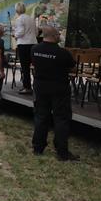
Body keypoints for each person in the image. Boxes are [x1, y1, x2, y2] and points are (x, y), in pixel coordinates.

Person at [31, 26, 78, 161]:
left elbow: (35, 65)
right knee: (61, 119)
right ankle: (62, 152)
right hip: (59, 89)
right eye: (58, 34)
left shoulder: (35, 49)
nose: (59, 36)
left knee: (40, 117)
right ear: (54, 36)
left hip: (40, 87)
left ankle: (38, 148)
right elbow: (73, 69)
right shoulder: (63, 53)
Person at [13, 2, 38, 95]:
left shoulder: (19, 19)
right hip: (34, 44)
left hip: (24, 45)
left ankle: (27, 87)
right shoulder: (31, 18)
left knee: (25, 67)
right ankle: (37, 86)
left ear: (16, 10)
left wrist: (15, 35)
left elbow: (21, 32)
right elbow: (36, 32)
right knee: (35, 66)